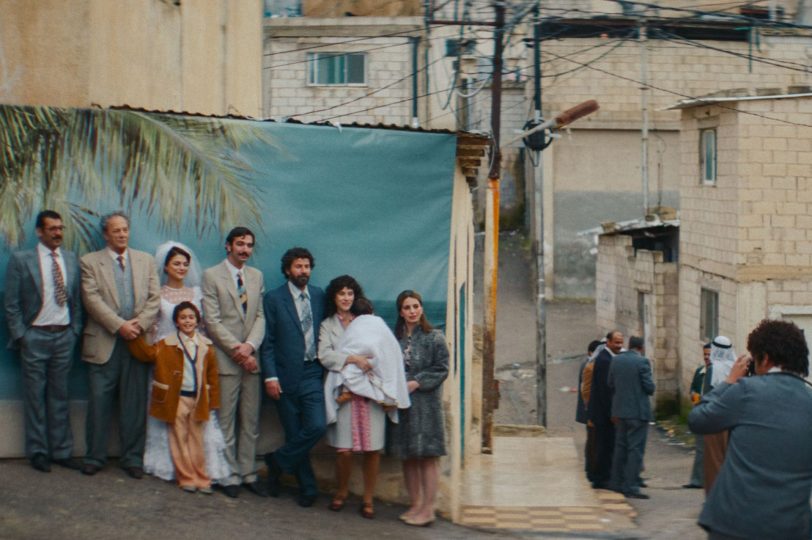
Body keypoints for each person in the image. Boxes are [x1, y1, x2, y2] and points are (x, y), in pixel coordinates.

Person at [688, 320, 812, 540]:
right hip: (791, 527)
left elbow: (698, 420)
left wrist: (729, 381)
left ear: (764, 358)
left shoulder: (746, 391)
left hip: (734, 524)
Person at [319, 278, 410, 518]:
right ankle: (341, 492)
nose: (346, 297)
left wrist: (375, 367)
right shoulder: (328, 325)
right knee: (344, 450)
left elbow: (388, 354)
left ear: (356, 297)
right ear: (334, 298)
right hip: (346, 394)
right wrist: (353, 360)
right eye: (341, 293)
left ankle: (368, 499)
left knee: (372, 449)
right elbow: (326, 356)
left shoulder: (374, 325)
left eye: (350, 293)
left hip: (372, 395)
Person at [79, 211, 161, 478]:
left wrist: (138, 325)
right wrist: (119, 325)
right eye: (116, 231)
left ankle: (132, 458)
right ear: (105, 234)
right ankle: (94, 456)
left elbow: (154, 298)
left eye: (125, 229)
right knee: (99, 403)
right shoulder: (90, 262)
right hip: (105, 343)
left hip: (137, 342)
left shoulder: (145, 260)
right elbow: (91, 300)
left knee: (134, 405)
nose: (123, 234)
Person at [141, 242, 230, 483]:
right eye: (176, 264)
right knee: (170, 408)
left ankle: (201, 467)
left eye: (185, 264)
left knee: (196, 409)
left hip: (193, 356)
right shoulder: (158, 294)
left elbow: (203, 328)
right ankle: (170, 464)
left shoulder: (196, 293)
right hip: (166, 357)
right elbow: (153, 327)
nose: (181, 268)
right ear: (166, 267)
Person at [4, 210, 83, 472]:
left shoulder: (71, 259)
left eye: (61, 228)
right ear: (40, 231)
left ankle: (61, 451)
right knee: (35, 397)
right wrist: (21, 335)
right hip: (34, 336)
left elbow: (77, 300)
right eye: (52, 228)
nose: (58, 233)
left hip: (64, 335)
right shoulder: (22, 260)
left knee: (60, 395)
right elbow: (11, 303)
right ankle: (38, 451)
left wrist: (75, 330)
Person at [201, 227, 266, 498]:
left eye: (249, 245)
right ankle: (227, 475)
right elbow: (212, 321)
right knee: (225, 420)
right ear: (228, 246)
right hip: (227, 360)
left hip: (252, 360)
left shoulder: (256, 276)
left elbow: (260, 316)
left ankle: (248, 472)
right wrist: (238, 350)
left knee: (250, 421)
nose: (245, 250)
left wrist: (250, 347)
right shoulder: (211, 275)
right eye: (240, 244)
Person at [128, 302, 220, 494]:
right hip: (176, 399)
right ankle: (186, 477)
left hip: (198, 399)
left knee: (197, 440)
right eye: (183, 318)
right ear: (176, 322)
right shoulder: (166, 344)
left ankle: (202, 478)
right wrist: (133, 337)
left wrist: (213, 400)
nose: (188, 321)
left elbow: (212, 375)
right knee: (179, 439)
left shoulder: (206, 346)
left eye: (191, 317)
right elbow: (146, 354)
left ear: (197, 320)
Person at [262, 247, 327, 508]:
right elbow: (268, 342)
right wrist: (270, 377)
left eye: (307, 267)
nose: (304, 271)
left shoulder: (320, 296)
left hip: (312, 371)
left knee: (317, 426)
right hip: (285, 374)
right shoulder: (274, 299)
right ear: (288, 270)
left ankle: (276, 461)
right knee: (294, 433)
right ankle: (308, 488)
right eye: (298, 267)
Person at [388, 290, 449, 527]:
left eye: (415, 306)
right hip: (404, 405)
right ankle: (415, 504)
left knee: (427, 457)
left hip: (426, 406)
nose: (412, 311)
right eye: (407, 307)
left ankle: (428, 509)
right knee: (409, 456)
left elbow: (442, 368)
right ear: (401, 312)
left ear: (421, 308)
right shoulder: (397, 339)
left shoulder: (434, 337)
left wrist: (417, 381)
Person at [608, 336, 654, 499]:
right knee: (635, 449)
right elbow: (649, 388)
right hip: (637, 412)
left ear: (629, 345)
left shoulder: (616, 361)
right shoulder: (642, 362)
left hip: (620, 412)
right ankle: (631, 486)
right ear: (640, 348)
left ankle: (616, 483)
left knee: (620, 447)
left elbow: (610, 384)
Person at [587, 330, 624, 489]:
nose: (619, 346)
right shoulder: (604, 360)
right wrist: (612, 413)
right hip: (603, 414)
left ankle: (604, 477)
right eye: (616, 342)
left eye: (621, 342)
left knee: (607, 445)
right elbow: (605, 390)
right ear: (608, 342)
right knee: (604, 446)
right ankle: (601, 479)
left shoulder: (609, 358)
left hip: (604, 413)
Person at [703, 335, 734, 493]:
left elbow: (706, 396)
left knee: (714, 461)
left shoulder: (713, 369)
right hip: (733, 421)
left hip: (714, 421)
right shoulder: (735, 367)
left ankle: (715, 497)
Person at [683, 342, 711, 490]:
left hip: (712, 414)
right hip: (700, 411)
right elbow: (693, 387)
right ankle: (697, 480)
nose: (706, 357)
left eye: (709, 354)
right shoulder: (700, 371)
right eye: (705, 354)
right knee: (700, 448)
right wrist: (694, 395)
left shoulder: (716, 372)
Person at [577, 339, 602, 483]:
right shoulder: (588, 365)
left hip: (589, 410)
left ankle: (590, 467)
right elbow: (586, 390)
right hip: (590, 410)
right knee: (592, 441)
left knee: (592, 440)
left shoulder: (587, 363)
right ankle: (591, 469)